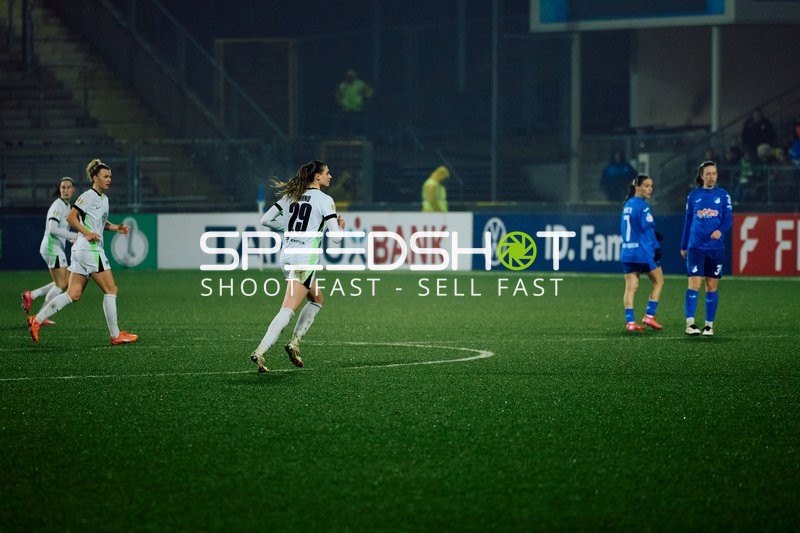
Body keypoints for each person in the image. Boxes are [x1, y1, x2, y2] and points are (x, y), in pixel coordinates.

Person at [27, 159, 138, 345]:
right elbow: (70, 217)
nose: (109, 179)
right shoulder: (88, 196)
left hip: (81, 250)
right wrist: (87, 233)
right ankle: (116, 335)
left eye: (110, 176)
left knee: (73, 294)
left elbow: (100, 224)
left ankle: (36, 320)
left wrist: (117, 228)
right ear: (95, 178)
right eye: (105, 176)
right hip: (90, 250)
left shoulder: (104, 198)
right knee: (111, 290)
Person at [250, 160, 345, 373]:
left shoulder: (291, 196)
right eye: (327, 173)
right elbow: (337, 239)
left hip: (286, 257)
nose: (330, 176)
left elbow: (265, 220)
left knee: (317, 298)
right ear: (317, 177)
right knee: (288, 308)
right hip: (304, 260)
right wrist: (340, 227)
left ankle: (295, 341)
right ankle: (261, 350)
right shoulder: (325, 200)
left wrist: (286, 227)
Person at [680, 160, 733, 336]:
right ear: (702, 176)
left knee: (711, 285)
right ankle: (690, 324)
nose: (711, 176)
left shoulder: (723, 195)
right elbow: (688, 221)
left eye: (714, 173)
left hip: (716, 248)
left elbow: (728, 219)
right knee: (695, 283)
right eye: (708, 173)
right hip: (696, 246)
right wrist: (683, 244)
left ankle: (709, 325)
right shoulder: (693, 195)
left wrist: (720, 230)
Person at [21, 177, 79, 324]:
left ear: (73, 189)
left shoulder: (66, 205)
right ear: (59, 190)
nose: (66, 190)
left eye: (68, 187)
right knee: (62, 284)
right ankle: (40, 315)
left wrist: (71, 238)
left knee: (62, 282)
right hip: (52, 247)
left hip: (53, 247)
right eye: (63, 187)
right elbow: (52, 229)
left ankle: (32, 296)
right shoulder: (58, 206)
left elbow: (60, 229)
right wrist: (73, 235)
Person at [620, 175, 664, 332]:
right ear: (637, 187)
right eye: (646, 186)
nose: (649, 189)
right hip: (642, 252)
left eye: (651, 186)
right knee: (658, 281)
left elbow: (634, 228)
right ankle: (649, 316)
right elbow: (648, 229)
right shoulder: (643, 206)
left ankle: (630, 322)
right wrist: (656, 247)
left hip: (627, 251)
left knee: (631, 286)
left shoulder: (627, 204)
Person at [335, 69, 373, 135]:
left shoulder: (360, 84)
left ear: (355, 76)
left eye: (352, 76)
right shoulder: (342, 85)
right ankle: (345, 137)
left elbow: (369, 91)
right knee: (345, 125)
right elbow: (337, 95)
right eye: (349, 76)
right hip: (346, 108)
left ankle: (359, 136)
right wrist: (340, 102)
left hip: (357, 107)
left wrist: (366, 98)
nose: (351, 78)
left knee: (358, 124)